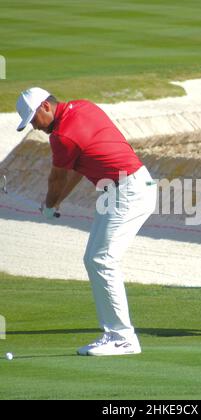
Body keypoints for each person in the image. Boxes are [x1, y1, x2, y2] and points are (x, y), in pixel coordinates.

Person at [16, 87, 157, 356]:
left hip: (127, 190)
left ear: (46, 106)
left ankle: (123, 337)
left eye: (33, 119)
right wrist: (56, 203)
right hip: (127, 186)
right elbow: (78, 170)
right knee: (93, 259)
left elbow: (56, 179)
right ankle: (114, 334)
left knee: (101, 260)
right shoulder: (83, 107)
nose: (34, 126)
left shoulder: (62, 136)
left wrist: (48, 205)